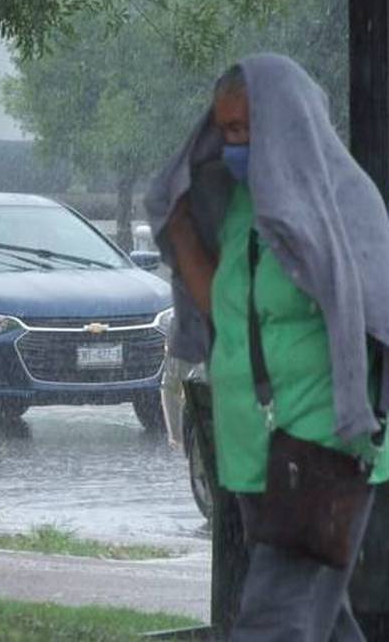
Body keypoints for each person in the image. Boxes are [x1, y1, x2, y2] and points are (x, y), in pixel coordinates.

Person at [147, 55, 389, 641]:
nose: (234, 145)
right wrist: (179, 228)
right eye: (225, 131)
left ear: (286, 123)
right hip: (255, 451)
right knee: (320, 621)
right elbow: (228, 313)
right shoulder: (240, 206)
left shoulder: (344, 203)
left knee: (274, 622)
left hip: (320, 447)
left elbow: (376, 314)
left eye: (245, 129)